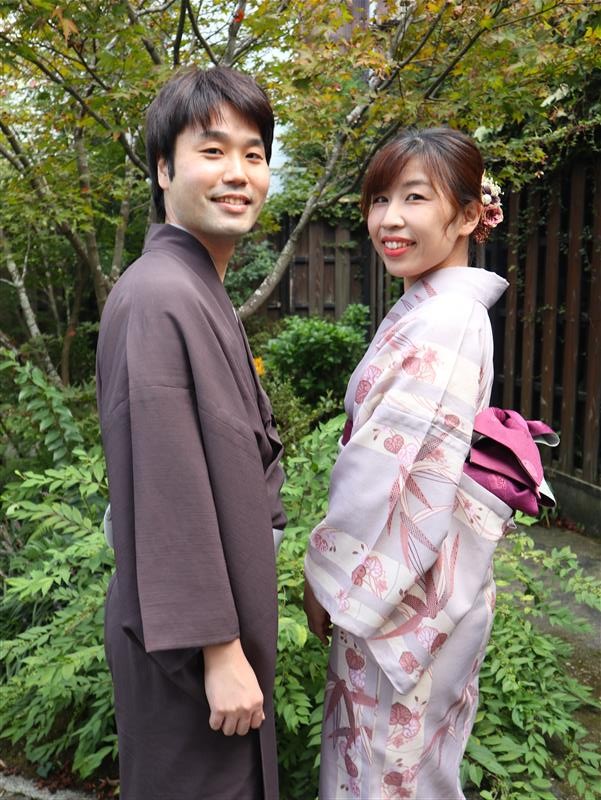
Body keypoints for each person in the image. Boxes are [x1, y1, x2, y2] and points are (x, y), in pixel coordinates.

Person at [303, 128, 512, 799]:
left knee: (387, 776)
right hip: (415, 582)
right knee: (404, 770)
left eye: (414, 198)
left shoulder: (444, 318)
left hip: (401, 594)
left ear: (468, 214)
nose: (388, 219)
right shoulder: (436, 307)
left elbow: (380, 471)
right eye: (379, 199)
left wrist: (327, 576)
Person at [96, 66, 286, 800]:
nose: (238, 172)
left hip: (214, 636)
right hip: (190, 654)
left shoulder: (194, 288)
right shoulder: (159, 296)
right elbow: (167, 482)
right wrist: (218, 650)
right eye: (212, 151)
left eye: (253, 154)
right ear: (163, 169)